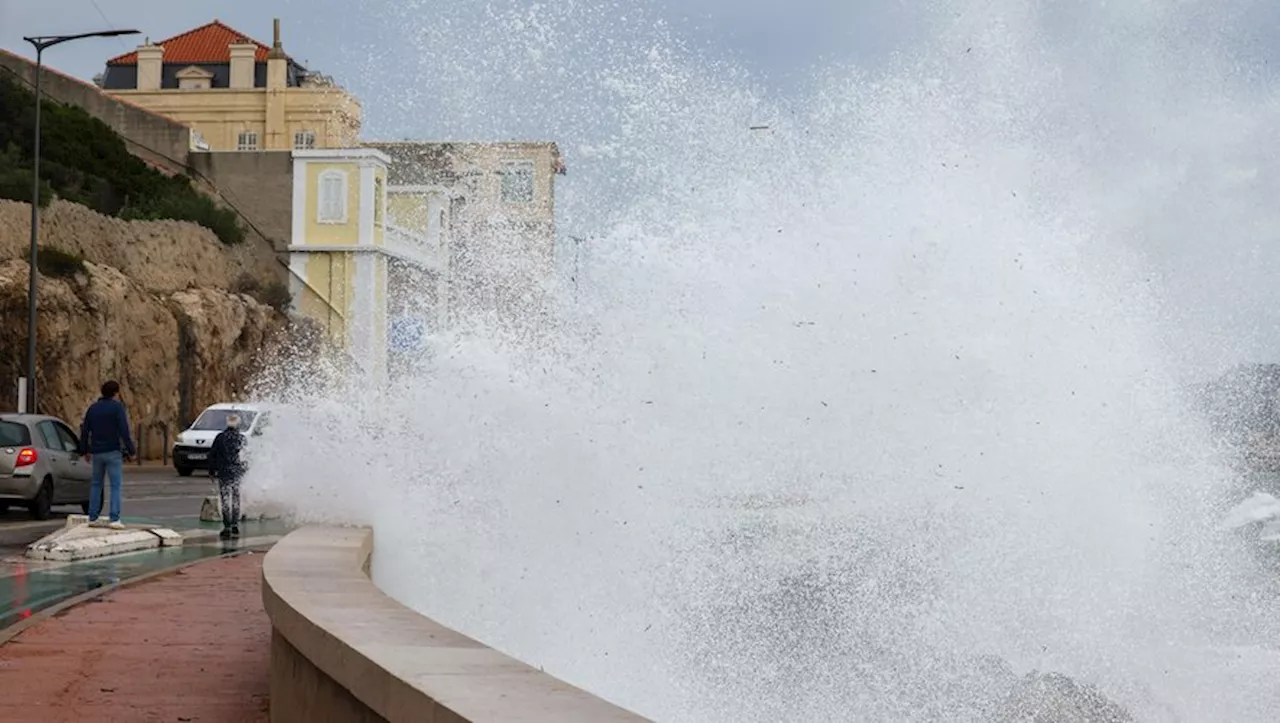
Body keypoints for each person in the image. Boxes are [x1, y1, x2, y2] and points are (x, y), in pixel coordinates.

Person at [77, 380, 136, 529]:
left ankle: (93, 516)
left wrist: (85, 450)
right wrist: (131, 450)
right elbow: (124, 430)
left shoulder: (93, 409)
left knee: (96, 484)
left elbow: (85, 430)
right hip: (113, 451)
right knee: (115, 485)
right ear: (116, 393)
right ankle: (114, 518)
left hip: (97, 452)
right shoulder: (117, 408)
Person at [208, 413, 247, 539]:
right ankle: (235, 523)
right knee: (236, 497)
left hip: (224, 472)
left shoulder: (220, 437)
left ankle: (227, 526)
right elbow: (246, 456)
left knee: (225, 498)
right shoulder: (241, 438)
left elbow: (212, 455)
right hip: (237, 472)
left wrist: (212, 471)